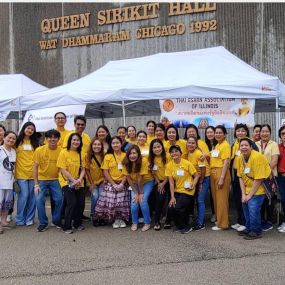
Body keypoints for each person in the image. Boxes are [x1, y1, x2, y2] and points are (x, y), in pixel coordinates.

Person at [237, 138, 271, 240]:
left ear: (251, 147)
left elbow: (259, 179)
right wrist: (243, 195)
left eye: (246, 145)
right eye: (241, 145)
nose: (244, 147)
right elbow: (240, 177)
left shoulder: (257, 157)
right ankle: (249, 228)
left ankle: (256, 231)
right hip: (247, 189)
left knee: (253, 209)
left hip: (258, 188)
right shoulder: (239, 158)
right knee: (245, 207)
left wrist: (249, 196)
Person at [94, 136, 129, 228]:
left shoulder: (126, 155)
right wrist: (113, 184)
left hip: (123, 182)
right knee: (112, 202)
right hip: (111, 182)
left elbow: (128, 171)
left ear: (121, 144)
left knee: (121, 202)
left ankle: (121, 219)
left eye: (117, 143)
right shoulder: (108, 156)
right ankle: (113, 219)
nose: (115, 145)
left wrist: (121, 183)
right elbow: (105, 171)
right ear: (111, 145)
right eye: (113, 143)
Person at [230, 124, 258, 232]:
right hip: (237, 174)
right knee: (238, 199)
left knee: (247, 199)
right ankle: (240, 220)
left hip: (248, 175)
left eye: (243, 131)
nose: (240, 133)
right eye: (238, 131)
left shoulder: (251, 144)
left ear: (246, 132)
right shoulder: (234, 144)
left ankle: (247, 223)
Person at [33, 129, 63, 232]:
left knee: (59, 199)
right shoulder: (39, 150)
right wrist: (36, 184)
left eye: (55, 137)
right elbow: (35, 167)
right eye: (50, 137)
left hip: (56, 179)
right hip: (42, 180)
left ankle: (56, 220)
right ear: (46, 139)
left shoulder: (61, 150)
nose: (52, 139)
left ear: (58, 139)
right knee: (39, 200)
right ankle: (43, 223)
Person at [166, 145, 199, 233]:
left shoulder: (187, 163)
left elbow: (196, 176)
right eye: (172, 152)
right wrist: (172, 197)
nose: (174, 153)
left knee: (179, 207)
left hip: (187, 190)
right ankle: (179, 226)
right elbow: (171, 183)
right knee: (171, 207)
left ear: (180, 153)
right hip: (177, 190)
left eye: (176, 151)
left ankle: (186, 226)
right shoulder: (169, 165)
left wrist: (193, 185)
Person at [57, 133, 86, 234]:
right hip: (66, 181)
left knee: (81, 203)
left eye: (78, 140)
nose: (76, 142)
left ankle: (77, 223)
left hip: (78, 181)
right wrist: (73, 181)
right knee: (72, 202)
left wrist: (79, 180)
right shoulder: (63, 152)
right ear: (70, 141)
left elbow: (83, 169)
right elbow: (62, 169)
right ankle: (67, 226)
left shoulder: (81, 153)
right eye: (74, 140)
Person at [122, 145, 154, 232]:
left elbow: (140, 179)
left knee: (142, 200)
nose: (132, 155)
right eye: (130, 153)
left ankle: (147, 223)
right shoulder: (125, 162)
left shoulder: (143, 160)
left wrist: (141, 193)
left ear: (138, 154)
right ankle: (134, 222)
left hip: (147, 182)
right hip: (134, 184)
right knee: (134, 202)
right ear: (127, 154)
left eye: (134, 153)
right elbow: (129, 180)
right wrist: (136, 193)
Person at [15, 122, 40, 226]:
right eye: (28, 128)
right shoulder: (16, 141)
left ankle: (29, 218)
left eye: (32, 129)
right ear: (24, 128)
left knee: (33, 197)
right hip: (21, 174)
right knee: (24, 196)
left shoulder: (35, 143)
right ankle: (20, 219)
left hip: (33, 174)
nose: (30, 130)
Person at [256, 124, 279, 231]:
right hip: (258, 178)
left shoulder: (273, 144)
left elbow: (274, 160)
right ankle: (260, 220)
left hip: (270, 177)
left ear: (270, 133)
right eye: (262, 131)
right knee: (260, 199)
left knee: (269, 199)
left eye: (266, 131)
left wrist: (265, 173)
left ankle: (269, 221)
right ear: (259, 133)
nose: (264, 133)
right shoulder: (255, 144)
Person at [186, 136, 210, 231]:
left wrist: (200, 182)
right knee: (196, 200)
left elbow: (203, 169)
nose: (191, 144)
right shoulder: (189, 153)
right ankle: (197, 220)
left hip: (204, 178)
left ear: (196, 144)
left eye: (193, 143)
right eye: (189, 142)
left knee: (200, 200)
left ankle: (200, 223)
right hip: (196, 178)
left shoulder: (198, 154)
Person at [210, 125, 231, 231]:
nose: (217, 134)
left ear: (225, 134)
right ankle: (220, 220)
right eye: (216, 132)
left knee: (222, 199)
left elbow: (226, 162)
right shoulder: (217, 145)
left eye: (220, 133)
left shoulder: (225, 145)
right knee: (216, 199)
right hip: (213, 172)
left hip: (221, 172)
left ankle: (223, 224)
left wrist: (222, 178)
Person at [149, 139, 170, 230]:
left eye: (159, 147)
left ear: (162, 147)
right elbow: (153, 173)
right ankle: (157, 221)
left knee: (170, 200)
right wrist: (159, 183)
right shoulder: (151, 159)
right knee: (160, 200)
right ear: (152, 149)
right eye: (154, 147)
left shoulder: (168, 157)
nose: (157, 149)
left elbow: (170, 172)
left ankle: (168, 220)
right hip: (158, 182)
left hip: (169, 181)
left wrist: (163, 183)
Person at [85, 137, 105, 226]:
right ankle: (94, 215)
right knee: (95, 196)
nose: (97, 146)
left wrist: (104, 180)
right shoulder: (87, 156)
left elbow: (106, 169)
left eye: (99, 144)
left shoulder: (104, 155)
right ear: (91, 146)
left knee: (101, 197)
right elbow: (87, 170)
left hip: (102, 181)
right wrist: (91, 183)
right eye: (95, 144)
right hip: (92, 182)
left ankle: (100, 216)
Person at [0, 131, 17, 234]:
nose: (11, 140)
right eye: (9, 138)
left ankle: (4, 221)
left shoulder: (14, 151)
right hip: (0, 181)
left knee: (7, 203)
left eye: (13, 139)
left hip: (10, 181)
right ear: (4, 137)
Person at [204, 126, 216, 223]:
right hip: (206, 172)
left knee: (214, 195)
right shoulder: (205, 145)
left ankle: (215, 213)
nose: (209, 134)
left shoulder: (218, 144)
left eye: (211, 132)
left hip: (216, 172)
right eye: (207, 133)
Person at [277, 125, 285, 233]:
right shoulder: (277, 147)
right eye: (283, 134)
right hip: (281, 178)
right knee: (283, 200)